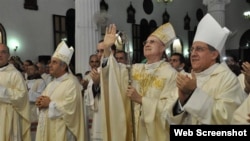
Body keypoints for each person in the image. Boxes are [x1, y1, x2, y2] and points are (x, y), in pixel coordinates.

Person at [100, 23, 177, 141]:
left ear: (162, 48)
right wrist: (106, 49)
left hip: (154, 134)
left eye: (152, 42)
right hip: (133, 131)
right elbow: (113, 72)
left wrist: (142, 100)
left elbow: (171, 109)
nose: (147, 44)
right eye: (146, 42)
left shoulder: (170, 74)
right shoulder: (135, 69)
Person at [164, 13, 244, 125]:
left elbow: (227, 118)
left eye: (199, 49)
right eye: (192, 49)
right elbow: (168, 118)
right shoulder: (186, 77)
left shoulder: (227, 79)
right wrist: (181, 102)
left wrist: (193, 93)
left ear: (214, 54)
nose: (193, 54)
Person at [35, 41, 85, 141]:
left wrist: (50, 104)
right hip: (48, 129)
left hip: (62, 132)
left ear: (64, 66)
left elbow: (71, 108)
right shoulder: (51, 84)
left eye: (54, 62)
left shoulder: (72, 83)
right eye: (50, 62)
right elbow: (44, 102)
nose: (50, 65)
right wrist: (40, 103)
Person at [0, 43, 31, 141]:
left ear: (8, 56)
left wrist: (1, 91)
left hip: (7, 117)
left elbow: (22, 96)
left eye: (3, 52)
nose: (0, 54)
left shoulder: (15, 74)